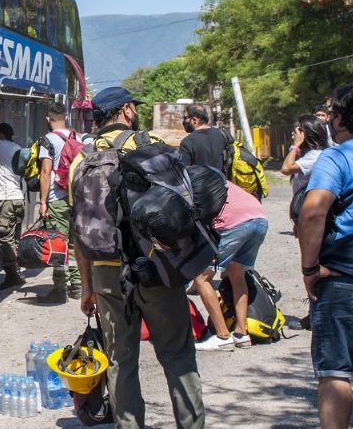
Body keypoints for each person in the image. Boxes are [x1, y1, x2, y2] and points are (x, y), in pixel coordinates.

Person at [74, 87, 205, 429]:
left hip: (105, 272)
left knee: (120, 359)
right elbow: (182, 206)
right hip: (155, 266)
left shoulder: (82, 157)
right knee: (177, 354)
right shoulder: (149, 142)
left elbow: (80, 232)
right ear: (128, 110)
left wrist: (86, 286)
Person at [298, 78, 353, 429]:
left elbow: (314, 211)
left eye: (333, 113)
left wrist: (310, 268)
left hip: (343, 278)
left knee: (334, 371)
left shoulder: (337, 156)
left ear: (343, 119)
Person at [193, 182, 269, 351]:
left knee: (201, 278)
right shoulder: (215, 177)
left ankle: (222, 336)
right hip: (260, 218)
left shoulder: (187, 182)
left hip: (234, 224)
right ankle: (241, 334)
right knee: (237, 273)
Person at [37, 102, 81, 303]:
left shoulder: (49, 140)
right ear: (65, 117)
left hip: (57, 198)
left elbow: (45, 172)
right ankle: (78, 286)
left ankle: (60, 288)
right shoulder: (77, 137)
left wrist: (42, 201)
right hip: (77, 198)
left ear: (48, 118)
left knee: (59, 243)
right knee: (74, 244)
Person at [0, 123, 26, 288]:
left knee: (4, 238)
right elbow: (0, 164)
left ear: (1, 134)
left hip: (7, 198)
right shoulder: (16, 147)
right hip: (18, 198)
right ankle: (16, 271)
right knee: (14, 238)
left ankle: (12, 276)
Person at [281, 115, 329, 194]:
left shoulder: (315, 155)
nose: (293, 134)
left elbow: (286, 169)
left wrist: (296, 145)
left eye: (297, 131)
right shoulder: (305, 152)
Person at [179, 104, 229, 175]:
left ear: (194, 120)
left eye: (185, 118)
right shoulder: (223, 135)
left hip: (198, 185)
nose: (183, 121)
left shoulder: (187, 142)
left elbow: (183, 173)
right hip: (222, 184)